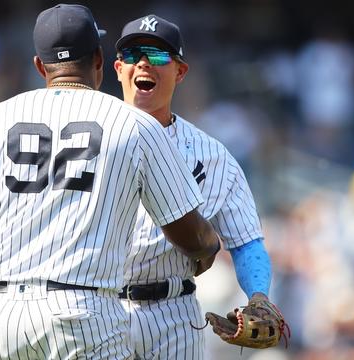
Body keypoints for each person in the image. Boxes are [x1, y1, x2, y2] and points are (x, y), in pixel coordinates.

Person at [0, 4, 221, 360]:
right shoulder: (134, 126)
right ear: (98, 60)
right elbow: (189, 235)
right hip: (83, 315)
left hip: (2, 321)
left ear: (39, 65)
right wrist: (208, 246)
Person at [113, 15, 275, 359]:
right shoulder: (88, 139)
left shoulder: (213, 156)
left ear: (181, 72)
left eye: (158, 56)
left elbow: (246, 242)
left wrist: (258, 295)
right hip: (98, 308)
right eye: (132, 55)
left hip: (174, 315)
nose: (143, 62)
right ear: (117, 68)